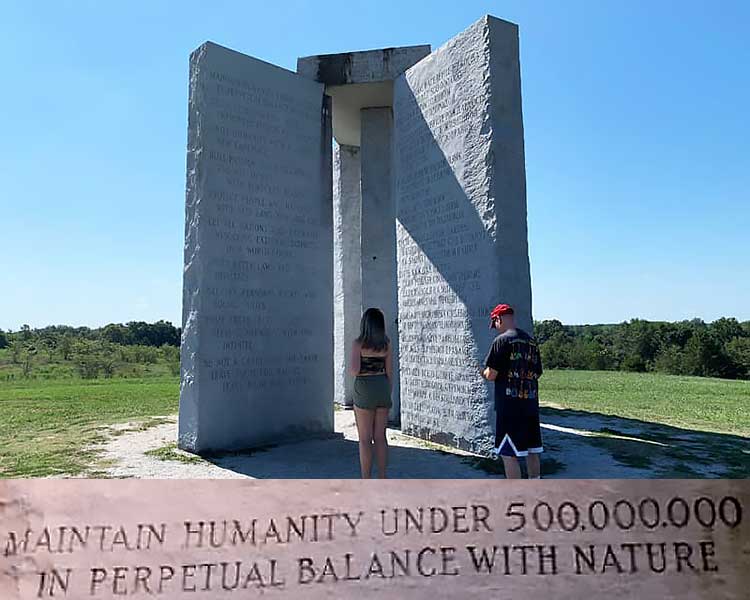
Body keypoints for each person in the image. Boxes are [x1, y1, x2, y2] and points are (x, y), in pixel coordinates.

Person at [481, 303, 544, 479]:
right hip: (530, 404)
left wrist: (483, 372)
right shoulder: (530, 341)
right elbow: (537, 373)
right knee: (532, 450)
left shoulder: (501, 341)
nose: (495, 328)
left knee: (508, 453)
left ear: (498, 319)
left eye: (495, 324)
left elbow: (492, 374)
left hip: (509, 407)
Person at [349, 308, 393, 478]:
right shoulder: (386, 344)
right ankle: (382, 476)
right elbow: (389, 371)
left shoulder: (358, 344)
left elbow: (354, 370)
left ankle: (366, 479)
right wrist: (386, 390)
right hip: (382, 386)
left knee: (365, 439)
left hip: (364, 388)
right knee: (380, 437)